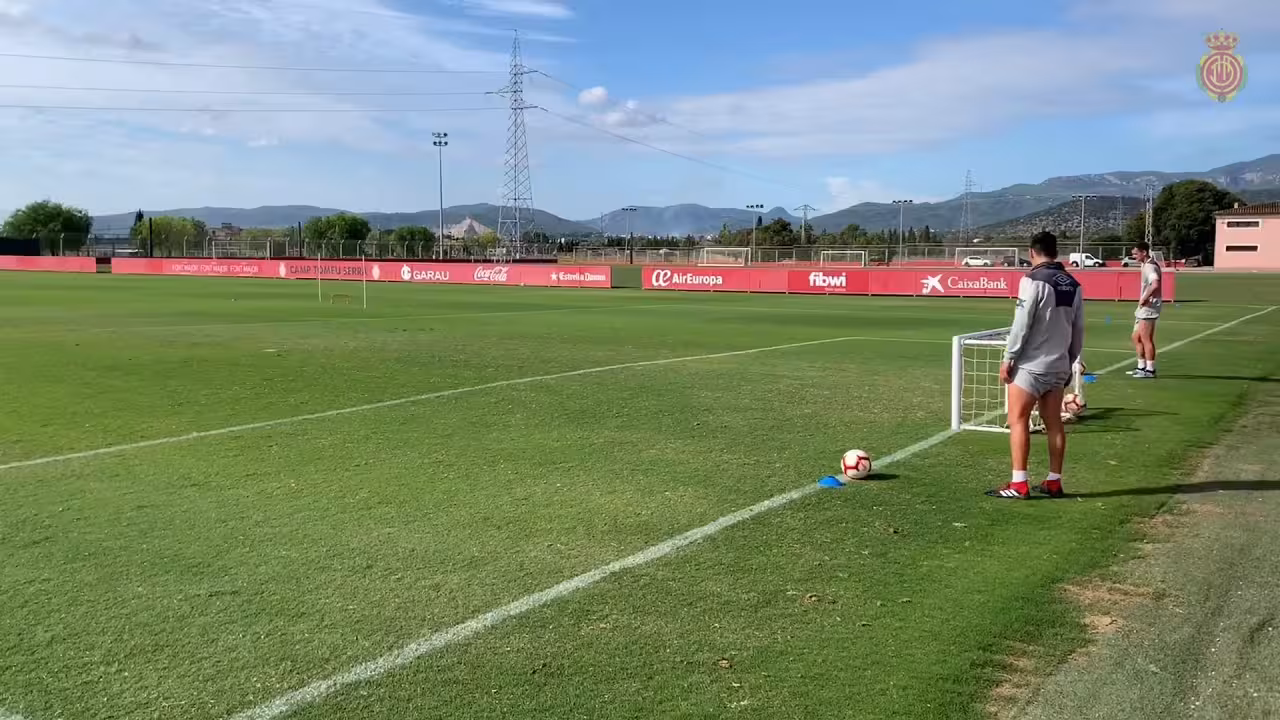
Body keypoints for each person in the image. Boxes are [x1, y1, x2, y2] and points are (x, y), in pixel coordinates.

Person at [987, 231, 1085, 500]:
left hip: (1031, 366)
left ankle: (1019, 483)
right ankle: (1054, 481)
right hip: (1059, 364)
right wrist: (1070, 361)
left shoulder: (1032, 280)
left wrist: (1009, 357)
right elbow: (1078, 329)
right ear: (1056, 252)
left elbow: (1022, 323)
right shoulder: (1074, 284)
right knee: (1054, 423)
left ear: (1032, 252)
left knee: (1017, 420)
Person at [1128, 240, 1162, 379]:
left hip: (1149, 306)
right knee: (1136, 337)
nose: (1134, 256)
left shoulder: (1150, 267)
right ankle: (1141, 366)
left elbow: (1155, 284)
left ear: (1144, 252)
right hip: (1143, 307)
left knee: (1146, 338)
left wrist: (1144, 298)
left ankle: (1150, 370)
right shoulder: (1145, 264)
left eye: (1136, 254)